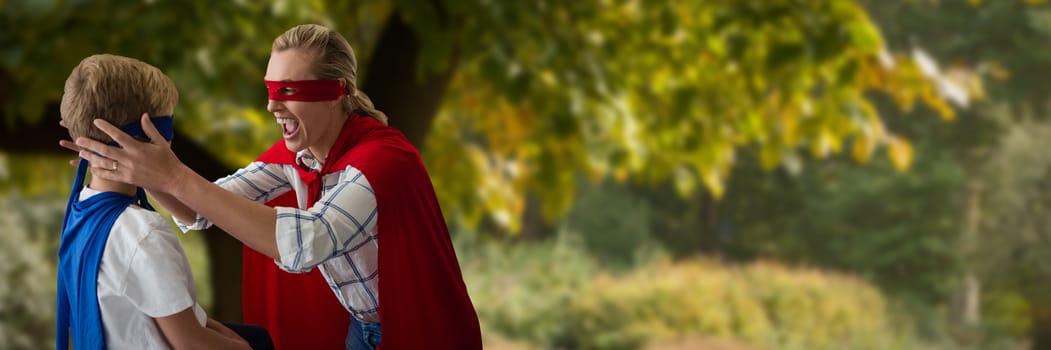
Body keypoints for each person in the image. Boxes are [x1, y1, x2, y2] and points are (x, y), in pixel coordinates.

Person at [71, 24, 483, 349]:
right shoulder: (296, 156)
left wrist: (171, 174)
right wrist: (138, 170)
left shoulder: (383, 161)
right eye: (269, 89)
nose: (271, 106)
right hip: (362, 329)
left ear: (337, 93)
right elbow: (199, 208)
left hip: (420, 331)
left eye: (289, 91)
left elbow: (306, 243)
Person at [57, 54, 273, 349]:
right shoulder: (143, 233)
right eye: (166, 129)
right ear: (145, 138)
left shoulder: (81, 208)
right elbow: (191, 344)